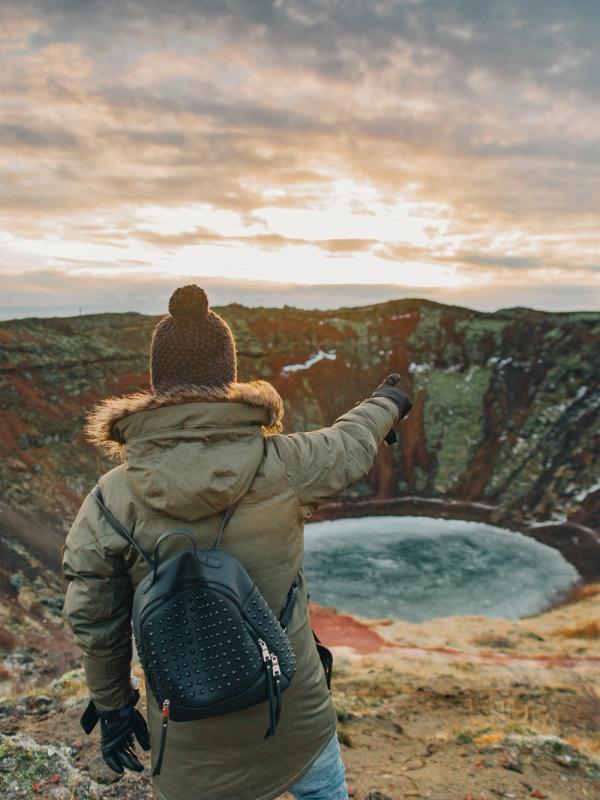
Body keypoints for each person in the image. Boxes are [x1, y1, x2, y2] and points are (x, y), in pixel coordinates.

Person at [61, 284, 412, 800]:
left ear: (160, 382)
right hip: (292, 717)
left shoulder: (110, 500)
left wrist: (114, 708)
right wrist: (388, 403)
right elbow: (350, 442)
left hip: (187, 741)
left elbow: (95, 619)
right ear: (228, 375)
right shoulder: (285, 465)